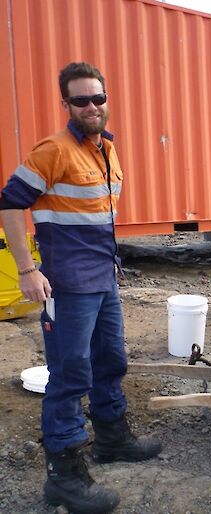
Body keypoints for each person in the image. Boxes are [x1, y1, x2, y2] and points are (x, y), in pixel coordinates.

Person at [0, 62, 161, 513]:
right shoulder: (53, 150)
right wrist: (27, 269)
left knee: (111, 360)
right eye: (81, 100)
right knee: (71, 375)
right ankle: (65, 477)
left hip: (104, 278)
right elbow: (11, 203)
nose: (92, 106)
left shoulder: (107, 149)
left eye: (98, 98)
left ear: (107, 100)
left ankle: (112, 438)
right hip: (68, 285)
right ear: (65, 104)